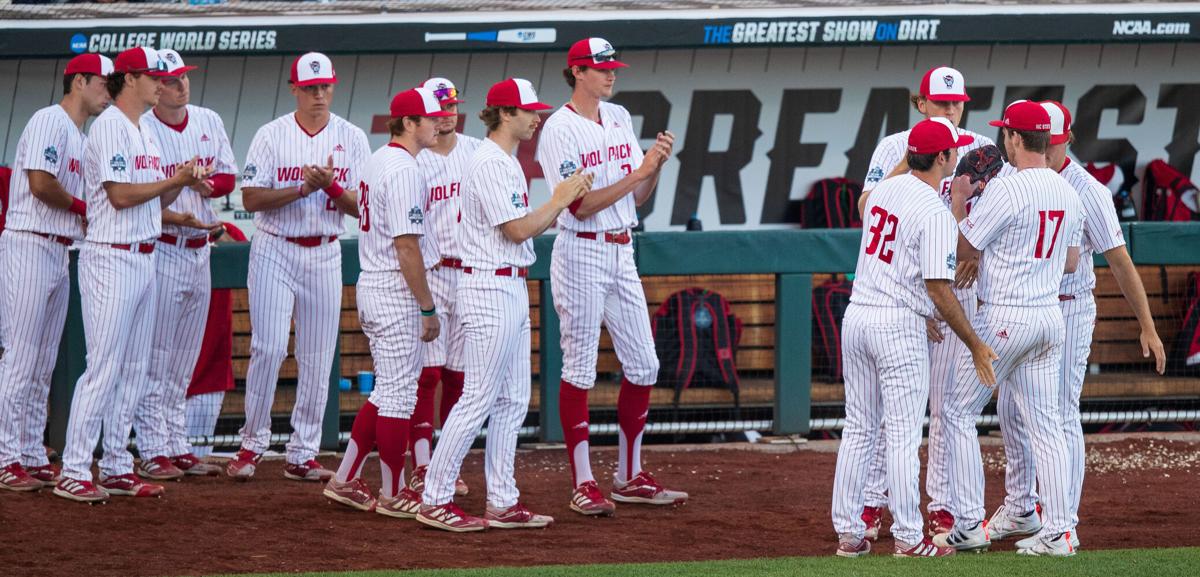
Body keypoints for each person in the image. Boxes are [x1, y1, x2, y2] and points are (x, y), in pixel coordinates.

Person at [988, 101, 1166, 550]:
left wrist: (1147, 324)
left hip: (1066, 308)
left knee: (1060, 413)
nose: (1047, 143)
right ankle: (1021, 507)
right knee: (1011, 412)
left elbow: (1120, 261)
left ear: (1065, 139)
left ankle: (1061, 520)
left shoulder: (1087, 189)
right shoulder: (1013, 175)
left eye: (1055, 136)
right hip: (1023, 309)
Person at [417, 78, 589, 532]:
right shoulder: (491, 162)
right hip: (489, 287)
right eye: (528, 110)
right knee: (478, 398)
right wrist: (560, 198)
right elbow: (515, 229)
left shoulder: (504, 160)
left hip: (511, 285)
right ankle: (434, 496)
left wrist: (555, 201)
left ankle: (502, 499)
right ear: (505, 114)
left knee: (513, 399)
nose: (537, 117)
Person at [831, 118, 997, 558]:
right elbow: (940, 288)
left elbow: (897, 262)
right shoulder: (932, 210)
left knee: (860, 428)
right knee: (903, 435)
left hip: (859, 316)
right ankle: (908, 538)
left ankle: (849, 533)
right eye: (950, 152)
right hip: (897, 327)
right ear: (942, 158)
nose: (956, 157)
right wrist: (975, 343)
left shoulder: (883, 191)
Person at [535, 37, 684, 516]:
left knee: (644, 365)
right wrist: (640, 169)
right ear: (577, 72)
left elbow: (636, 198)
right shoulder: (559, 128)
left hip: (622, 248)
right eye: (601, 68)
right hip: (581, 250)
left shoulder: (617, 117)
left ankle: (628, 474)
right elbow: (578, 205)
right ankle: (582, 481)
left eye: (612, 67)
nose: (611, 74)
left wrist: (653, 168)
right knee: (579, 367)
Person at [56, 47, 211, 503]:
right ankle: (75, 467)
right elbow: (121, 196)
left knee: (135, 369)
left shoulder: (145, 130)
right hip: (111, 256)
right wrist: (174, 181)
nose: (162, 83)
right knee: (103, 368)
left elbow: (152, 202)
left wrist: (179, 183)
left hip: (145, 255)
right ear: (129, 79)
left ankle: (119, 465)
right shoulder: (108, 128)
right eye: (153, 77)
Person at [935, 100, 1083, 556]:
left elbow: (962, 247)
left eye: (1007, 133)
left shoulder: (1010, 188)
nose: (1004, 139)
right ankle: (1060, 530)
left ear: (1015, 139)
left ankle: (968, 524)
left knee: (957, 413)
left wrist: (959, 199)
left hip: (1005, 316)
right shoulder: (1067, 190)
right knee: (1048, 426)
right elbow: (1073, 261)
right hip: (1047, 317)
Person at [225, 52, 368, 482]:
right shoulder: (271, 135)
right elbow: (250, 199)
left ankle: (302, 451)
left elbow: (362, 208)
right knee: (268, 347)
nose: (319, 94)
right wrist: (300, 188)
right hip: (275, 246)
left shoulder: (352, 137)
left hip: (324, 248)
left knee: (318, 354)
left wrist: (330, 187)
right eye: (310, 88)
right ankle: (252, 443)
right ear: (294, 90)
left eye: (324, 86)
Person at [322, 87, 450, 516]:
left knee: (387, 392)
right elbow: (407, 247)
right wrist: (428, 307)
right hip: (394, 287)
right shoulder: (402, 168)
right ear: (409, 123)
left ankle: (344, 478)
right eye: (429, 118)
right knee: (398, 395)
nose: (438, 122)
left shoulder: (378, 160)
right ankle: (394, 492)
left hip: (375, 282)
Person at [0, 53, 112, 492]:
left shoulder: (82, 137)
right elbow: (41, 185)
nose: (108, 90)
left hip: (59, 248)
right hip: (29, 240)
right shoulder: (50, 119)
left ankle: (29, 450)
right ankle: (6, 455)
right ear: (80, 81)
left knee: (42, 362)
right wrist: (87, 208)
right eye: (103, 82)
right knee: (21, 357)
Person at [132, 49, 238, 480]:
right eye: (172, 80)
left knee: (182, 357)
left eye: (183, 78)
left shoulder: (208, 119)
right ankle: (152, 447)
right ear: (155, 86)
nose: (181, 85)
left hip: (200, 248)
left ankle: (177, 444)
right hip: (163, 245)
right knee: (157, 355)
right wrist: (182, 178)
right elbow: (144, 194)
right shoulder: (144, 129)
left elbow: (230, 176)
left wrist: (206, 183)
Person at [407, 77, 482, 498]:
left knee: (459, 375)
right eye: (439, 107)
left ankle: (447, 461)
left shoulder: (476, 152)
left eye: (452, 105)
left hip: (469, 273)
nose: (448, 113)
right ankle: (420, 463)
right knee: (427, 374)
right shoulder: (415, 160)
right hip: (433, 272)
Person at [183, 222, 247, 465]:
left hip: (210, 372)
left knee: (196, 457)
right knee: (162, 458)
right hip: (165, 377)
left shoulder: (226, 228)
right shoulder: (163, 229)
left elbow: (243, 259)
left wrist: (214, 231)